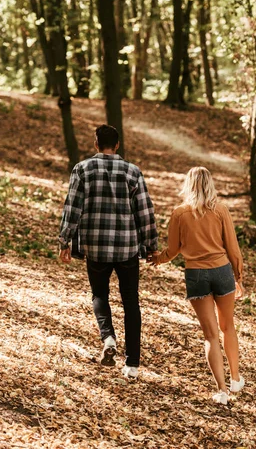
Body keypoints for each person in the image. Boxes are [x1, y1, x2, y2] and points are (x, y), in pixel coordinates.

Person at [58, 124, 158, 379]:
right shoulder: (133, 172)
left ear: (95, 144)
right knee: (130, 301)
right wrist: (150, 245)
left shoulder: (83, 169)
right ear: (117, 145)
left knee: (99, 294)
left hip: (96, 246)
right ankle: (132, 365)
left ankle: (109, 338)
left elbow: (73, 207)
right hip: (126, 248)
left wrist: (64, 240)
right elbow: (144, 212)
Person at [152, 166, 244, 405]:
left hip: (196, 274)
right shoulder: (221, 210)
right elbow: (233, 248)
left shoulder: (180, 213)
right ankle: (235, 379)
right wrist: (239, 276)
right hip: (222, 271)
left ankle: (222, 390)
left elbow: (172, 250)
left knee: (210, 335)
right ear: (210, 184)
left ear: (188, 184)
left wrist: (158, 259)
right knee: (228, 327)